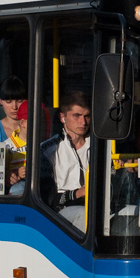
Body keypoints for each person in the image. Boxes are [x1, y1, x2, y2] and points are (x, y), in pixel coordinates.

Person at [42, 91, 92, 229]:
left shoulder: (101, 147)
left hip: (99, 206)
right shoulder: (47, 150)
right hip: (61, 211)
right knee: (85, 214)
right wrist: (77, 193)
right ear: (62, 117)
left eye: (87, 116)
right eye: (77, 116)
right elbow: (45, 199)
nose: (83, 122)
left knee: (132, 212)